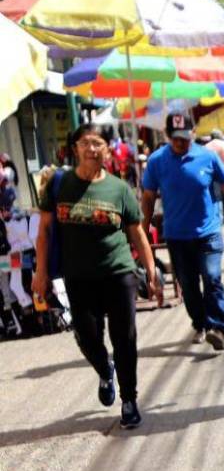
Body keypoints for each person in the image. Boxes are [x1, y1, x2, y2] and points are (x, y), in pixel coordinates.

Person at [32, 123, 160, 429]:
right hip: (78, 277)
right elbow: (44, 231)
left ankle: (129, 399)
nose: (92, 149)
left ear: (107, 149)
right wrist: (40, 272)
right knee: (87, 337)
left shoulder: (119, 189)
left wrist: (151, 271)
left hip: (118, 273)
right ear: (75, 148)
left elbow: (137, 233)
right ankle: (105, 370)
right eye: (86, 143)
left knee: (125, 337)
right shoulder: (58, 186)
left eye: (98, 143)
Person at [141, 112, 224, 350]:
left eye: (184, 137)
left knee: (212, 278)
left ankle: (219, 328)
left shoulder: (208, 157)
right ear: (167, 136)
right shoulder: (156, 161)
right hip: (177, 236)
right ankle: (200, 323)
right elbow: (148, 197)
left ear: (192, 133)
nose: (180, 142)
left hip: (208, 231)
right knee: (188, 286)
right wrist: (143, 227)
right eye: (175, 138)